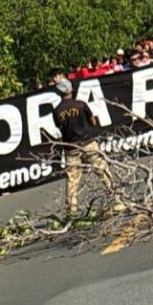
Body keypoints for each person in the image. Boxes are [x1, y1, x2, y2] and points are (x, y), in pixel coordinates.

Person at [52, 79, 116, 215]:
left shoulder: (57, 111)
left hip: (71, 147)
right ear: (71, 90)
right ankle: (117, 200)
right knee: (102, 170)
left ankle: (72, 211)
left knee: (72, 179)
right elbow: (92, 120)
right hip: (88, 143)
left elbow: (59, 127)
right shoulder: (81, 104)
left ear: (59, 93)